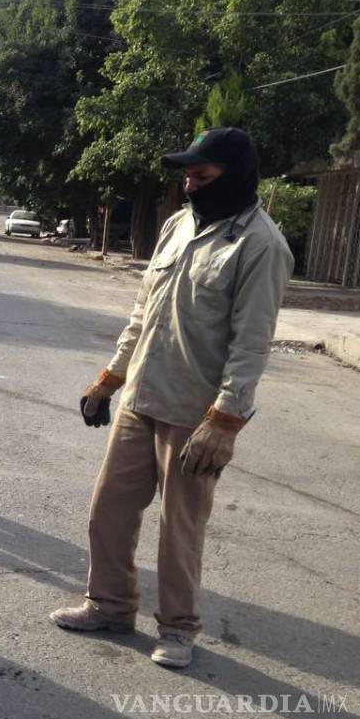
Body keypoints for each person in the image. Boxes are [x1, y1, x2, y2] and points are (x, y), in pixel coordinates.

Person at [50, 127, 294, 669]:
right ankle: (109, 605)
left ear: (234, 177)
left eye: (201, 176)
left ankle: (179, 629)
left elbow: (251, 345)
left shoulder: (261, 245)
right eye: (186, 175)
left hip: (195, 413)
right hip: (142, 395)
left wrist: (225, 421)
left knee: (180, 530)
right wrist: (109, 380)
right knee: (108, 509)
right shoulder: (177, 227)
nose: (188, 186)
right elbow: (144, 316)